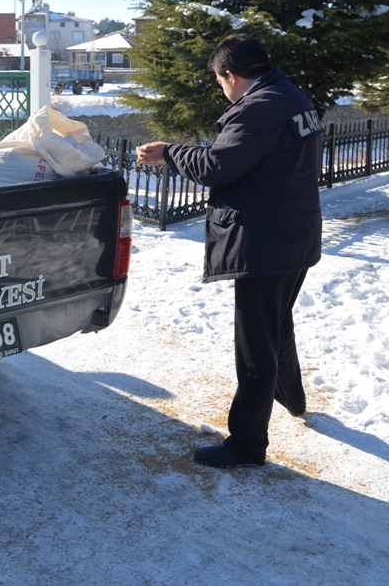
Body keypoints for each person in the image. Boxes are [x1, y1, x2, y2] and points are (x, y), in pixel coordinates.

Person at [136, 34, 324, 469]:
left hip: (265, 241)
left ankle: (246, 445)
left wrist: (170, 152)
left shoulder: (258, 108)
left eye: (220, 82)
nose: (222, 89)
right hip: (294, 232)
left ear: (232, 76)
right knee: (276, 325)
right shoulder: (291, 95)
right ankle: (292, 397)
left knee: (254, 345)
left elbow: (217, 165)